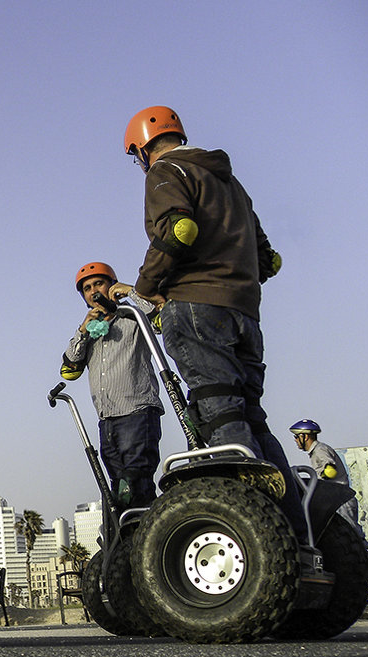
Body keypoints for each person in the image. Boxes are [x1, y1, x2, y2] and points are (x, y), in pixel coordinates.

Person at [113, 106, 305, 536]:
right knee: (252, 420)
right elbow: (268, 260)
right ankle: (297, 534)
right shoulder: (230, 182)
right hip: (244, 313)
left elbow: (178, 231)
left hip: (197, 306)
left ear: (143, 146)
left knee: (221, 421)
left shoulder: (166, 171)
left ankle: (256, 539)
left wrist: (145, 288)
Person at [62, 262, 163, 507]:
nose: (93, 291)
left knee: (135, 482)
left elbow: (161, 318)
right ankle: (130, 538)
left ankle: (149, 534)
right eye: (87, 288)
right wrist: (83, 329)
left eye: (99, 284)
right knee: (118, 487)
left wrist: (130, 292)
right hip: (107, 420)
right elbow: (69, 367)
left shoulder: (131, 316)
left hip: (136, 412)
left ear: (111, 285)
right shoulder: (91, 330)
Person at [290, 419, 359, 524]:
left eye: (296, 436)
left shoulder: (319, 450)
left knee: (353, 536)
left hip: (340, 501)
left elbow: (330, 471)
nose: (295, 440)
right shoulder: (316, 451)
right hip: (335, 499)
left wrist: (317, 481)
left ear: (305, 436)